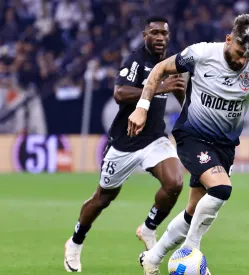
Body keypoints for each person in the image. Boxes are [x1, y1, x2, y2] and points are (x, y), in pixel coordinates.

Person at [127, 15, 249, 275]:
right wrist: (142, 108)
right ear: (228, 39)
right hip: (192, 136)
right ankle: (191, 252)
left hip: (225, 146)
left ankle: (153, 257)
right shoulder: (201, 53)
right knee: (221, 189)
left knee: (193, 211)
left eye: (248, 56)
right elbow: (160, 69)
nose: (242, 61)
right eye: (239, 52)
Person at [64, 16, 187, 272]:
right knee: (103, 198)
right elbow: (120, 93)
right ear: (145, 36)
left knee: (175, 182)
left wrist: (189, 112)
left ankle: (148, 228)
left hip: (155, 139)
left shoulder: (170, 62)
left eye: (164, 33)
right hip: (124, 142)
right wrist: (160, 87)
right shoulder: (136, 60)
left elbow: (178, 90)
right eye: (154, 33)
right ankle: (75, 242)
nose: (160, 38)